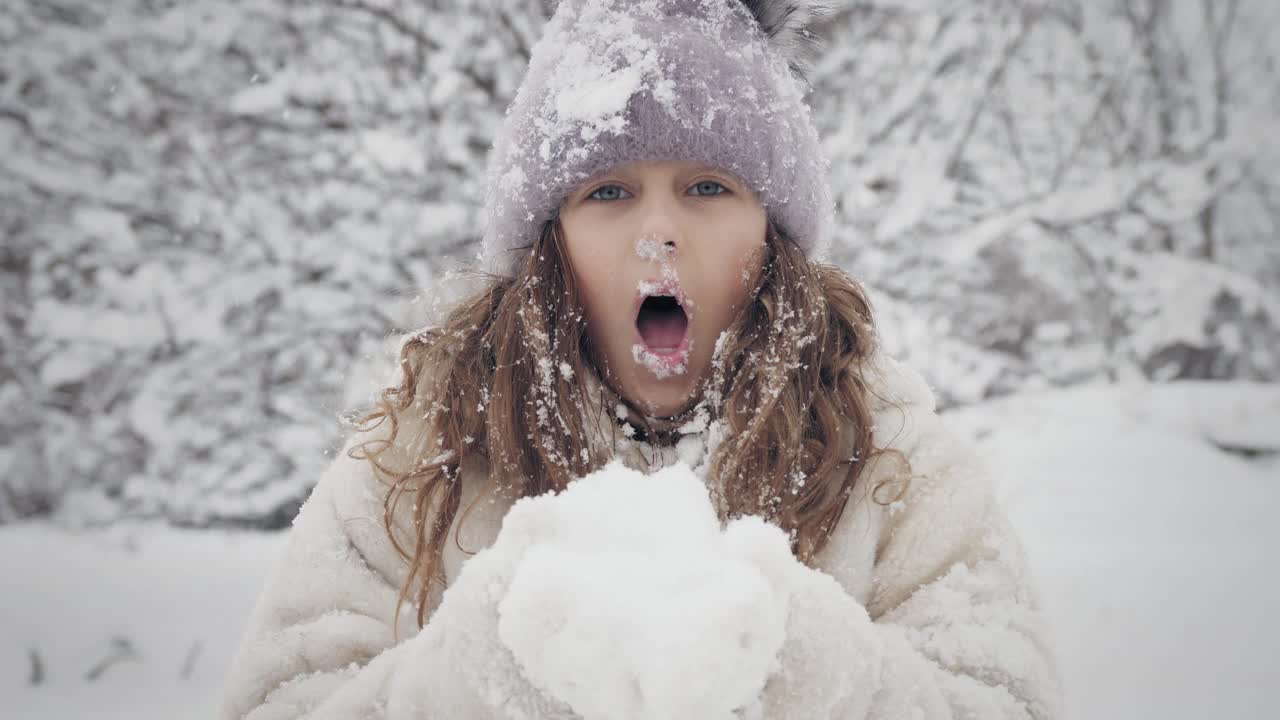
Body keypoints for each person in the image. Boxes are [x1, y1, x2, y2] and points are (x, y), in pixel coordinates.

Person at [221, 1, 1063, 718]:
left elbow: (1004, 697)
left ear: (773, 232)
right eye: (609, 192)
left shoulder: (892, 454)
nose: (658, 232)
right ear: (549, 242)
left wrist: (798, 658)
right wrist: (496, 662)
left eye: (707, 188)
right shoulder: (422, 451)